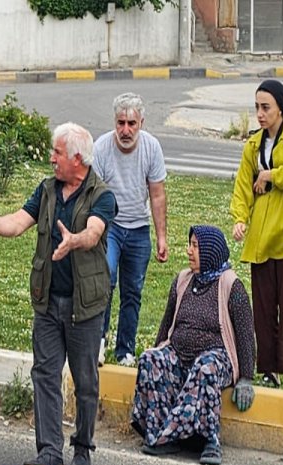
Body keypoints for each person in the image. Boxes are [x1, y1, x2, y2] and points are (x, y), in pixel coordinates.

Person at [0, 123, 115, 465]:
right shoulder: (47, 190)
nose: (51, 158)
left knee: (86, 380)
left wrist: (75, 240)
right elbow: (18, 223)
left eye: (57, 153)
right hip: (47, 302)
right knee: (45, 374)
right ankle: (48, 450)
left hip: (84, 308)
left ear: (77, 159)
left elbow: (94, 232)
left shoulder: (101, 195)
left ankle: (83, 447)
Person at [130, 226, 256, 465]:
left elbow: (246, 336)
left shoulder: (231, 285)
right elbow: (167, 324)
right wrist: (158, 350)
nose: (189, 251)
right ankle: (162, 435)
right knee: (150, 359)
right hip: (179, 354)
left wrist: (246, 378)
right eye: (190, 244)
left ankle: (208, 440)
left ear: (210, 251)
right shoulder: (182, 280)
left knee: (205, 367)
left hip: (217, 358)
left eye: (195, 246)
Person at [230, 80, 283, 392]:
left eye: (266, 108)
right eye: (257, 108)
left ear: (281, 108)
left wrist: (268, 176)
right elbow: (241, 187)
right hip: (261, 237)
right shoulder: (253, 145)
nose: (260, 114)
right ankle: (268, 368)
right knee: (263, 306)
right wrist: (240, 218)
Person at [92, 92, 168, 367]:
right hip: (109, 226)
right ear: (115, 122)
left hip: (138, 227)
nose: (125, 130)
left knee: (132, 291)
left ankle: (125, 349)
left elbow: (157, 194)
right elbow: (94, 196)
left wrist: (161, 237)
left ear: (141, 123)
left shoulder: (151, 148)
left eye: (131, 124)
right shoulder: (101, 148)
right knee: (105, 281)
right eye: (121, 123)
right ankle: (98, 343)